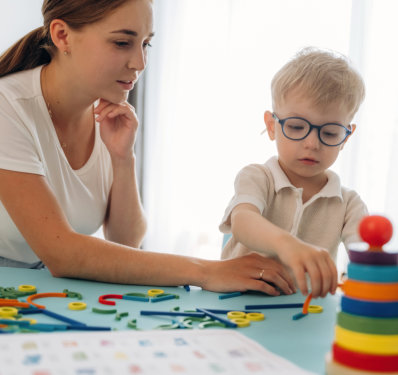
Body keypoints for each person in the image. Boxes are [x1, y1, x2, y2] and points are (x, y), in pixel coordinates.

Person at [0, 0, 296, 295]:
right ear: (62, 35)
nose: (139, 63)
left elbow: (125, 243)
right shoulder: (7, 106)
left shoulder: (105, 112)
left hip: (48, 293)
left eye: (146, 45)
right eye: (122, 43)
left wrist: (122, 157)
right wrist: (206, 271)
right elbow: (62, 253)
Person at [219, 47, 368, 298]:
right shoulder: (257, 177)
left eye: (330, 132)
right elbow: (243, 222)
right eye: (297, 127)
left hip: (305, 314)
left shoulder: (350, 204)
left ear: (346, 137)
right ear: (271, 126)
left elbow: (365, 255)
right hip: (237, 305)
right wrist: (287, 245)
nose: (312, 143)